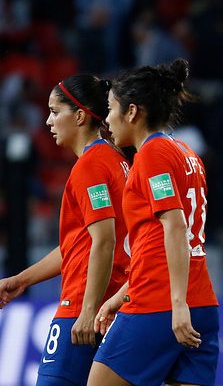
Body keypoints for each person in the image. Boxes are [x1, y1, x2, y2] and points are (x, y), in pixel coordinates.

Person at [87, 59, 219, 386]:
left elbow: (175, 227)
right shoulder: (187, 152)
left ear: (132, 112)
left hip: (161, 303)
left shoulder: (152, 155)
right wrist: (122, 295)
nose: (106, 119)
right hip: (201, 302)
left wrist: (176, 304)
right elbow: (165, 237)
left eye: (110, 108)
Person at [0, 74, 130, 385]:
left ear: (81, 116)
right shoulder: (116, 160)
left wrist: (86, 310)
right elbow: (80, 244)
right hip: (116, 307)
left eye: (55, 112)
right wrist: (21, 280)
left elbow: (104, 242)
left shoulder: (90, 167)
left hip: (85, 308)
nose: (47, 121)